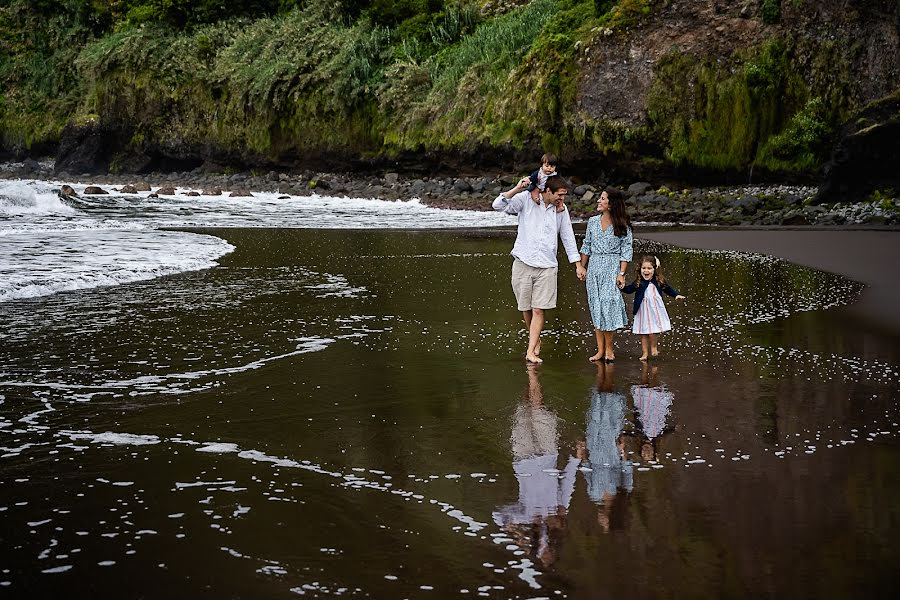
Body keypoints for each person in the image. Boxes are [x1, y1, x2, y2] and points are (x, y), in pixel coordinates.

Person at [493, 174, 586, 364]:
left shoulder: (561, 210)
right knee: (525, 308)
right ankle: (535, 338)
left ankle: (531, 350)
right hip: (523, 262)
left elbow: (567, 236)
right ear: (548, 191)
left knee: (538, 310)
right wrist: (518, 188)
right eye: (560, 195)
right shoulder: (526, 200)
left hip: (547, 266)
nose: (563, 199)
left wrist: (577, 264)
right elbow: (498, 205)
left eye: (564, 195)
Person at [492, 366, 579, 566]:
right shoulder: (560, 508)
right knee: (539, 409)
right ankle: (533, 375)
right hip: (548, 453)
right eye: (548, 551)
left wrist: (517, 535)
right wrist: (576, 458)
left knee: (524, 410)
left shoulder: (527, 515)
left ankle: (529, 378)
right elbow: (568, 481)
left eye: (544, 552)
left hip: (523, 459)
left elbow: (497, 515)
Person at [579, 190, 633, 363]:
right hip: (594, 267)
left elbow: (626, 250)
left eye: (602, 199)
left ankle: (609, 349)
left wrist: (622, 274)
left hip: (611, 268)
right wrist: (581, 266)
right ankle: (600, 350)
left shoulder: (622, 224)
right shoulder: (593, 222)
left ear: (611, 204)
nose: (598, 201)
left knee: (608, 307)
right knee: (596, 307)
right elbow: (586, 245)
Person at [620, 255, 686, 360]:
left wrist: (676, 295)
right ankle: (645, 353)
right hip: (642, 310)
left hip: (655, 309)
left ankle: (654, 346)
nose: (646, 271)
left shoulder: (658, 281)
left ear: (654, 269)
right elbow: (629, 290)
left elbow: (668, 289)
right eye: (644, 268)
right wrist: (622, 286)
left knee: (655, 330)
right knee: (644, 332)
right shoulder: (638, 282)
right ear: (640, 269)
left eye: (649, 268)